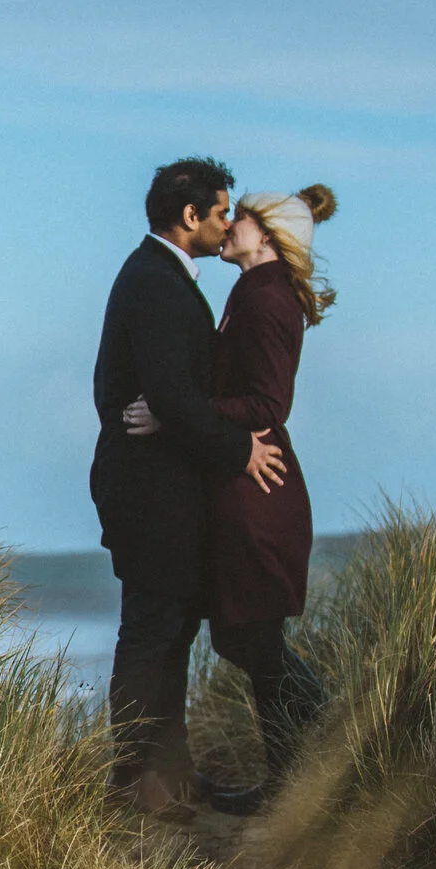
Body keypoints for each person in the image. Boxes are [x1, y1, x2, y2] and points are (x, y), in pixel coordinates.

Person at [124, 184, 337, 814]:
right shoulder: (251, 291)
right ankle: (302, 777)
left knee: (252, 640)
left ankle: (313, 762)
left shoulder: (268, 298)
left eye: (239, 217)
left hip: (258, 490)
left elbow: (269, 406)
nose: (228, 225)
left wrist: (174, 413)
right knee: (244, 639)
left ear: (267, 234)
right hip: (243, 486)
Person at [89, 159, 287, 822]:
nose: (228, 223)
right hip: (148, 491)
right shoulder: (155, 281)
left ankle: (171, 774)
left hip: (164, 487)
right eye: (221, 211)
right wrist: (240, 448)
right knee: (151, 631)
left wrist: (171, 411)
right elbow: (169, 391)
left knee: (170, 631)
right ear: (190, 216)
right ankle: (139, 780)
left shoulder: (159, 276)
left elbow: (172, 395)